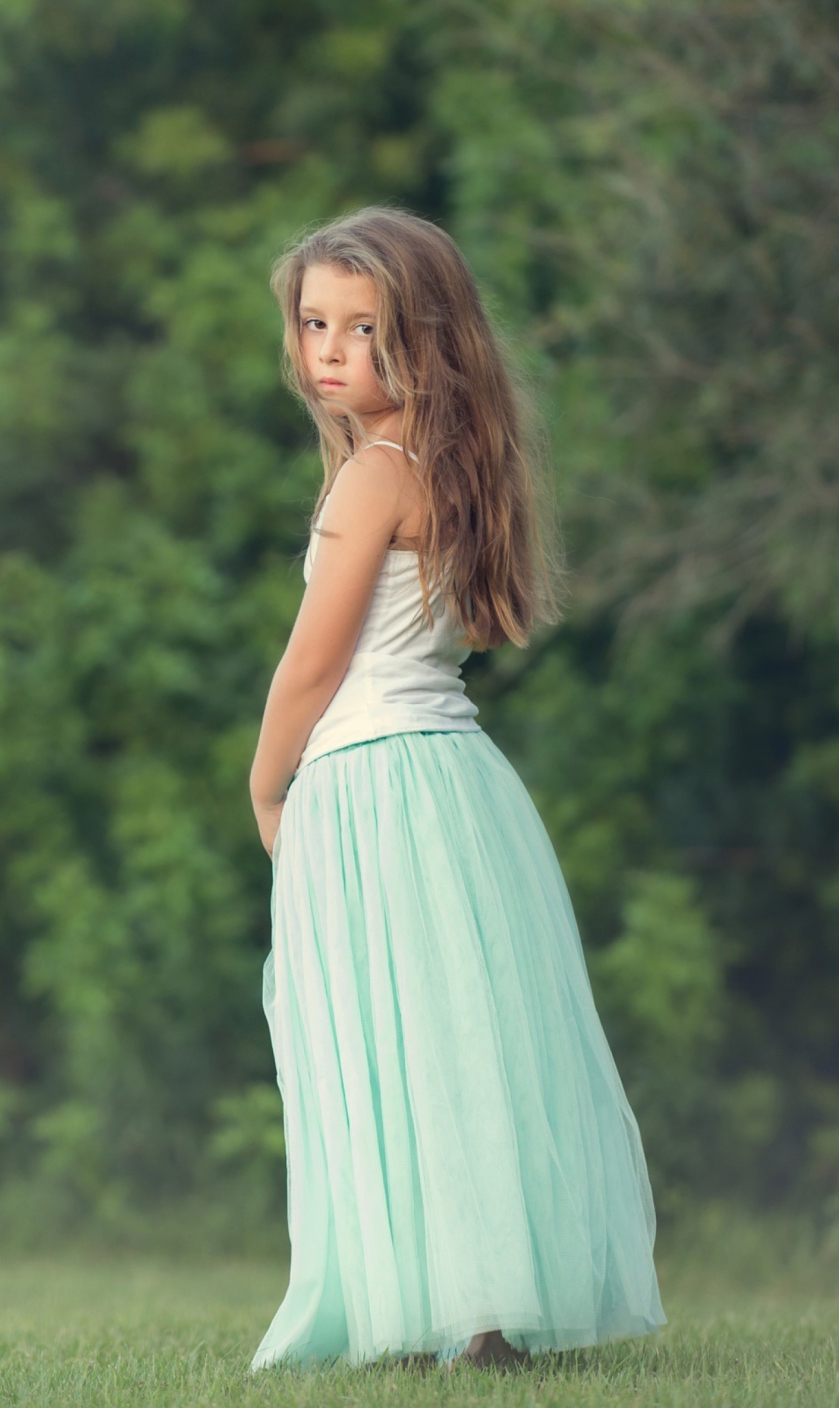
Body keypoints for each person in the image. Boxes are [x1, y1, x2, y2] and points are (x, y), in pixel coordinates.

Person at [246, 207, 667, 1373]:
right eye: (312, 322)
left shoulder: (375, 477)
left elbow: (312, 663)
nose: (326, 350)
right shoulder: (454, 467)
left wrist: (265, 781)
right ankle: (476, 1308)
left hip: (368, 778)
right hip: (457, 784)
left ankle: (433, 1303)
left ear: (423, 339)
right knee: (456, 1037)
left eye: (360, 329)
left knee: (381, 1036)